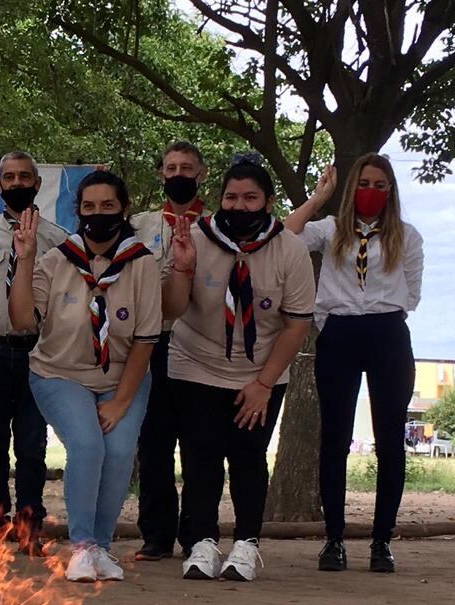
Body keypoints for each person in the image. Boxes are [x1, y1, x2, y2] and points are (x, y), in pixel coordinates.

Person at [10, 170, 186, 583]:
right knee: (88, 445)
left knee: (122, 449)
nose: (98, 214)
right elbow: (21, 319)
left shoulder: (140, 262)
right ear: (78, 212)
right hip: (59, 372)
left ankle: (102, 548)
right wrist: (26, 257)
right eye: (89, 207)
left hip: (124, 374)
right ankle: (83, 545)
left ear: (123, 209)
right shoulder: (56, 259)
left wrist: (122, 401)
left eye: (108, 206)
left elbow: (146, 339)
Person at [165, 158, 315, 582]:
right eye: (231, 197)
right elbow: (172, 310)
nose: (240, 206)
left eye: (251, 198)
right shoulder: (194, 237)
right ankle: (202, 541)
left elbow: (297, 323)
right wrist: (183, 267)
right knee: (200, 457)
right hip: (194, 363)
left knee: (249, 457)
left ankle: (247, 543)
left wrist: (264, 383)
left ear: (268, 201)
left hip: (261, 371)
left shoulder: (291, 249)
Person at [285, 154, 423, 574]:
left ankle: (382, 542)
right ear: (352, 188)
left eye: (381, 185)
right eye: (365, 183)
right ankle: (334, 541)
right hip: (340, 334)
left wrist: (384, 316)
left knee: (389, 443)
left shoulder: (407, 236)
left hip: (388, 335)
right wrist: (318, 197)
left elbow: (412, 293)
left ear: (391, 191)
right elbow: (284, 235)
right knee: (336, 439)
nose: (372, 192)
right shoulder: (329, 231)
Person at [0, 151, 69, 553]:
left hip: (38, 351)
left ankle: (30, 527)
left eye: (24, 176)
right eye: (8, 177)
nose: (16, 184)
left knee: (32, 446)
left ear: (37, 184)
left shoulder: (59, 239)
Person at [130, 141, 211, 561]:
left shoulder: (216, 226)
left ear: (202, 175)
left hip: (200, 344)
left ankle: (198, 532)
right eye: (171, 168)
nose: (178, 174)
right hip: (151, 343)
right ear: (161, 174)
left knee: (198, 444)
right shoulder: (138, 225)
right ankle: (157, 534)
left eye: (187, 168)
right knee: (154, 443)